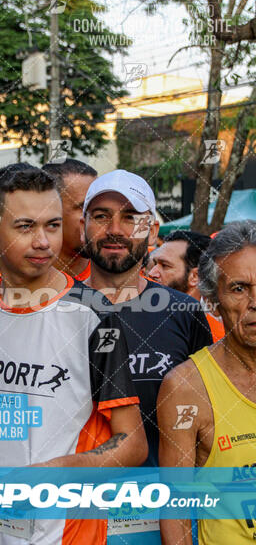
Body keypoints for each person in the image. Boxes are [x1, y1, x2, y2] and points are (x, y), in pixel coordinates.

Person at [0, 165, 147, 545]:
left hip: (64, 534)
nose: (43, 242)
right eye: (25, 227)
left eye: (52, 225)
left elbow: (133, 443)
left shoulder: (94, 313)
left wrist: (56, 472)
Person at [80, 170, 213, 543]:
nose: (115, 229)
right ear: (82, 226)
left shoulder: (184, 313)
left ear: (152, 232)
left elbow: (205, 418)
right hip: (72, 519)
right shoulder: (55, 309)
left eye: (131, 218)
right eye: (101, 216)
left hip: (157, 522)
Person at [158, 221, 256, 544]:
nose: (254, 302)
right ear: (213, 302)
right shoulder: (187, 387)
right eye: (239, 288)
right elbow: (176, 511)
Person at [149, 230, 224, 342]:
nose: (152, 273)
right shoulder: (137, 319)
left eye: (164, 266)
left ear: (195, 276)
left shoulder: (216, 337)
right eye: (155, 264)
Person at [42, 158, 97, 280]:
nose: (99, 219)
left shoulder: (129, 275)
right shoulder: (1, 281)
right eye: (84, 208)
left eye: (101, 210)